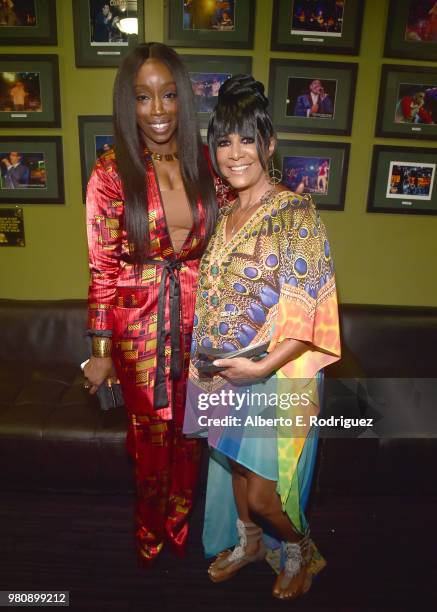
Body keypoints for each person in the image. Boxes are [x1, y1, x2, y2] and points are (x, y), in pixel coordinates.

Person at [183, 75, 341, 600]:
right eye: (224, 141)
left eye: (246, 138)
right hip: (225, 374)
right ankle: (250, 545)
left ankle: (301, 549)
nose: (235, 153)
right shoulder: (226, 214)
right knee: (232, 472)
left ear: (269, 144)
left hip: (274, 378)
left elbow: (311, 316)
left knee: (264, 496)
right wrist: (202, 369)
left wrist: (260, 368)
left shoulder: (296, 213)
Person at [83, 42, 221, 564]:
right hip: (139, 328)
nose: (157, 110)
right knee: (150, 441)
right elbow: (103, 268)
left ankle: (180, 528)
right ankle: (149, 534)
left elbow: (231, 239)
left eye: (167, 95)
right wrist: (99, 351)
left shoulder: (205, 166)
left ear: (184, 98)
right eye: (143, 97)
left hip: (200, 324)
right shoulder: (112, 173)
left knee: (192, 434)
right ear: (128, 103)